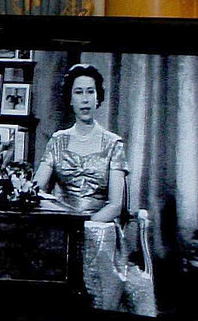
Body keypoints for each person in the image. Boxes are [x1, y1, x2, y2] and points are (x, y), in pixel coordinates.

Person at [33, 64, 127, 223]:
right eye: (78, 92)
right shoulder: (58, 141)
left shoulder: (113, 144)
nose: (85, 99)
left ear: (98, 98)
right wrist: (60, 217)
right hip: (62, 226)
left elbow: (115, 206)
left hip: (99, 226)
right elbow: (36, 190)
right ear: (70, 99)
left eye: (90, 92)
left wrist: (85, 226)